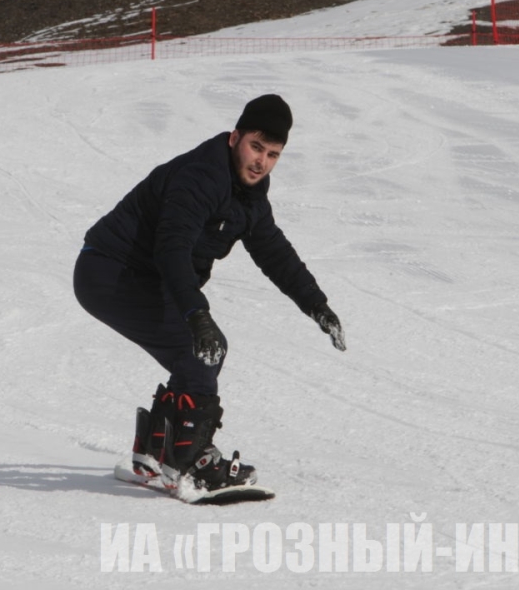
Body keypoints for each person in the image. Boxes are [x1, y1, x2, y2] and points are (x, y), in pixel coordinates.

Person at [73, 94, 346, 493]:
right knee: (200, 351)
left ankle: (155, 454)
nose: (261, 162)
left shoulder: (249, 193)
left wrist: (316, 304)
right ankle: (190, 464)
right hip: (110, 272)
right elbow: (172, 249)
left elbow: (273, 250)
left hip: (138, 276)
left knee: (199, 355)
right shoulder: (202, 177)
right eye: (256, 147)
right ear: (235, 138)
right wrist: (196, 315)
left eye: (272, 154)